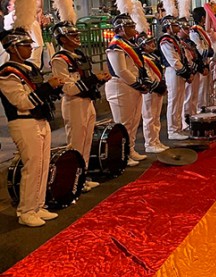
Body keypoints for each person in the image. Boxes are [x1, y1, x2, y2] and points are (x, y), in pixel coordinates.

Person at [0, 28, 64, 227]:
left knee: (43, 165)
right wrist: (47, 88)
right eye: (25, 46)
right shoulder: (7, 73)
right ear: (12, 49)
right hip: (23, 121)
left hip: (40, 118)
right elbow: (21, 101)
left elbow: (40, 93)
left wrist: (54, 88)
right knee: (32, 166)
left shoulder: (29, 68)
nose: (29, 49)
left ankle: (38, 205)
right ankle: (26, 211)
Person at [50, 21, 110, 190]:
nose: (77, 38)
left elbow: (85, 80)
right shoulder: (59, 59)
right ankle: (71, 180)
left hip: (86, 101)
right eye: (72, 35)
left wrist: (99, 80)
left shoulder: (79, 55)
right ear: (62, 39)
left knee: (86, 142)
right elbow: (69, 88)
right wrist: (93, 79)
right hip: (74, 103)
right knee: (76, 143)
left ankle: (82, 177)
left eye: (77, 35)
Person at [106, 15, 151, 165]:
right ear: (120, 29)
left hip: (132, 86)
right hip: (121, 86)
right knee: (123, 123)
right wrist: (137, 84)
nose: (133, 29)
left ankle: (130, 149)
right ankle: (122, 155)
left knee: (133, 121)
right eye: (130, 27)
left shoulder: (128, 44)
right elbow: (121, 70)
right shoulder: (116, 46)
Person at [159, 16, 193, 140]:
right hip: (173, 72)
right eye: (175, 26)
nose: (178, 28)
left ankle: (178, 127)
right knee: (173, 101)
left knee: (179, 101)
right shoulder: (166, 41)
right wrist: (186, 73)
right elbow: (174, 61)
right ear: (168, 27)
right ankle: (172, 130)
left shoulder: (174, 39)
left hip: (179, 71)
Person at [136, 32, 169, 153]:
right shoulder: (142, 58)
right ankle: (150, 143)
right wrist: (157, 86)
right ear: (143, 45)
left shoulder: (153, 56)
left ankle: (156, 140)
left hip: (158, 88)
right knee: (149, 116)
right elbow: (147, 76)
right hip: (151, 90)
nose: (153, 44)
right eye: (149, 43)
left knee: (156, 117)